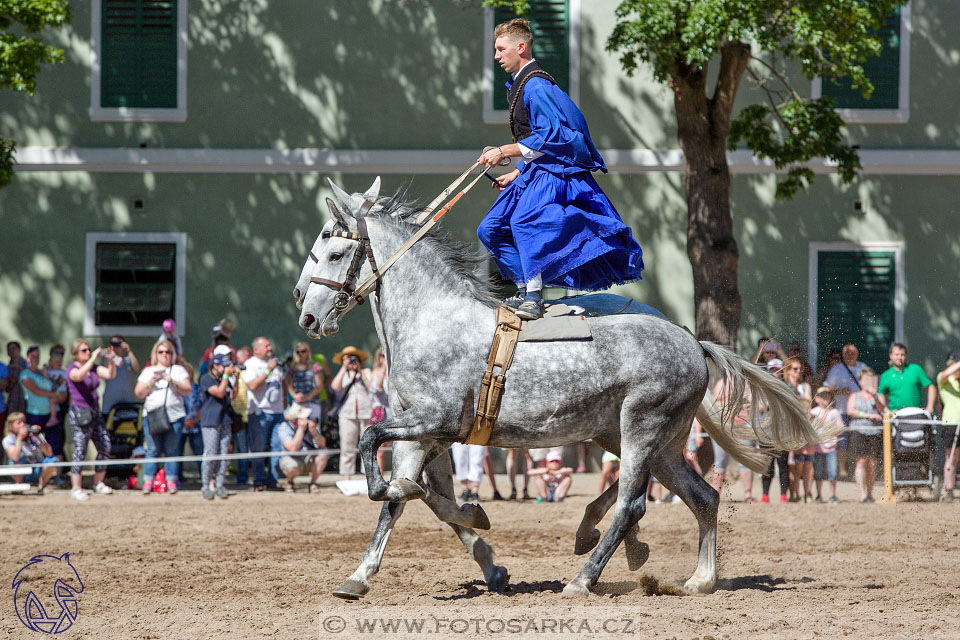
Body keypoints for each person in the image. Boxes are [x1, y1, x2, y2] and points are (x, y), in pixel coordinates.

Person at [476, 18, 644, 320]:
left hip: (554, 174)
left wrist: (504, 151)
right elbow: (541, 142)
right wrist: (517, 172)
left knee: (524, 222)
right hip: (535, 171)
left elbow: (553, 137)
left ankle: (533, 297)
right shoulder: (519, 85)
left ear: (521, 47)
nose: (496, 56)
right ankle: (524, 288)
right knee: (489, 229)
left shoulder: (536, 85)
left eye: (501, 49)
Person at [135, 339, 191, 495]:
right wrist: (150, 383)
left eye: (168, 352)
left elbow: (187, 390)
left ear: (173, 354)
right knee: (152, 449)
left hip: (175, 416)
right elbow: (138, 393)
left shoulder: (179, 370)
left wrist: (171, 380)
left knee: (172, 450)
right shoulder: (148, 371)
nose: (164, 355)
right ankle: (147, 482)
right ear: (155, 354)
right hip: (153, 416)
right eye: (161, 352)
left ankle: (171, 481)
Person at [66, 339, 117, 501]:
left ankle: (98, 483)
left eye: (88, 350)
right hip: (80, 413)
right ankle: (76, 487)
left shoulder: (93, 368)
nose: (88, 352)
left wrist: (111, 361)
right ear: (75, 353)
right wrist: (92, 359)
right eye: (84, 350)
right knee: (80, 448)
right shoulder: (72, 369)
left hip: (95, 412)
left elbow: (110, 374)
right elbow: (79, 376)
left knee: (105, 446)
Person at [241, 337, 285, 490]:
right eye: (266, 346)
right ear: (256, 349)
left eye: (269, 345)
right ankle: (259, 480)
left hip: (278, 412)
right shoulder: (250, 364)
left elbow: (282, 383)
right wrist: (269, 370)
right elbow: (252, 385)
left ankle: (272, 480)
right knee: (258, 448)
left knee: (277, 447)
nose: (269, 348)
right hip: (260, 413)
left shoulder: (274, 362)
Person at [824, 343, 868, 479]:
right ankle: (842, 469)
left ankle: (857, 470)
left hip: (859, 411)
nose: (850, 356)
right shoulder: (837, 369)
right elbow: (827, 388)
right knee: (842, 441)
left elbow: (870, 386)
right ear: (843, 355)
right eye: (847, 353)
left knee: (858, 441)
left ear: (857, 354)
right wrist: (840, 391)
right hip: (842, 410)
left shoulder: (863, 368)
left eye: (852, 353)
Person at [199, 352, 239, 500]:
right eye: (224, 365)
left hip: (225, 420)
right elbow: (220, 393)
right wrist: (227, 376)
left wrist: (237, 379)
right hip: (210, 421)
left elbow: (232, 396)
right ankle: (205, 485)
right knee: (210, 455)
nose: (227, 368)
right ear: (215, 365)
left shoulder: (224, 379)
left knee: (224, 455)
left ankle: (220, 484)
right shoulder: (206, 378)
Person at [330, 346, 372, 482]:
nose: (351, 361)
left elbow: (370, 387)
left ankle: (368, 476)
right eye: (347, 358)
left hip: (366, 412)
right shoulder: (344, 374)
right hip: (347, 414)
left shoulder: (366, 372)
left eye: (353, 358)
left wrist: (359, 370)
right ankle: (346, 477)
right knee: (347, 445)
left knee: (368, 445)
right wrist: (344, 367)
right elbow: (335, 387)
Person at [846, 367, 884, 503]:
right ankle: (862, 493)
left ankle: (870, 492)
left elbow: (883, 410)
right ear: (860, 381)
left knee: (872, 463)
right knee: (861, 461)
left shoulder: (878, 396)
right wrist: (867, 415)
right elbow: (850, 410)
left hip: (875, 432)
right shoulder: (854, 396)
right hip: (859, 431)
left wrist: (875, 396)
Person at [277, 403, 329, 493]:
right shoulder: (284, 427)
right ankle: (290, 482)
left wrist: (315, 433)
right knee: (292, 468)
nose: (307, 419)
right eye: (304, 417)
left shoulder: (312, 427)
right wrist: (300, 429)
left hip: (308, 458)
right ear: (294, 420)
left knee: (324, 453)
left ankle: (313, 483)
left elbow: (323, 444)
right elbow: (293, 448)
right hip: (292, 459)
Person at [783, 357, 814, 502]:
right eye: (795, 369)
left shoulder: (804, 387)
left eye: (800, 369)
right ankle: (793, 494)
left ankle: (807, 493)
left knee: (807, 463)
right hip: (789, 429)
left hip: (803, 427)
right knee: (792, 465)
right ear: (787, 370)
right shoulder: (782, 386)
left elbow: (807, 403)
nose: (798, 372)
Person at [3, 412, 57, 492]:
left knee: (52, 460)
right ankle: (19, 485)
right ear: (10, 426)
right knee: (18, 458)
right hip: (22, 473)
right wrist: (19, 438)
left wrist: (38, 436)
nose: (23, 425)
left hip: (37, 471)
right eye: (19, 423)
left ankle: (42, 486)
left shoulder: (34, 436)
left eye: (24, 422)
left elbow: (49, 453)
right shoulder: (8, 439)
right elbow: (15, 457)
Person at [878, 343, 936, 415]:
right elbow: (880, 394)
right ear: (891, 355)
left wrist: (930, 407)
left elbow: (931, 387)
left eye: (902, 355)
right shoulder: (886, 375)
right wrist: (887, 411)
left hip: (916, 413)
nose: (899, 357)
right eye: (897, 354)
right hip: (896, 415)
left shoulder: (915, 369)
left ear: (906, 356)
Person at [936, 351, 960, 502]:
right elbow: (946, 374)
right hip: (951, 422)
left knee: (955, 458)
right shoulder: (943, 378)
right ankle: (948, 489)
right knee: (950, 458)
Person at [811, 387, 842, 503]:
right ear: (817, 398)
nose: (826, 398)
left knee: (832, 472)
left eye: (827, 396)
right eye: (823, 396)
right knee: (818, 472)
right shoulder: (813, 412)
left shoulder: (834, 412)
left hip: (831, 446)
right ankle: (819, 495)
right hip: (818, 447)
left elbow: (839, 428)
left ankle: (832, 495)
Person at [19, 345, 60, 430]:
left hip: (52, 414)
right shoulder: (25, 374)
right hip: (35, 415)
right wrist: (56, 395)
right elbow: (36, 391)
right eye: (33, 356)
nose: (36, 359)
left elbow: (55, 384)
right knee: (35, 442)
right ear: (27, 358)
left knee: (54, 443)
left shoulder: (43, 372)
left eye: (38, 356)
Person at [101, 335, 141, 416]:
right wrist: (109, 354)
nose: (116, 346)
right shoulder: (107, 360)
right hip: (109, 405)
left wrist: (129, 351)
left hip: (127, 404)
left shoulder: (128, 360)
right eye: (113, 344)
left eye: (118, 344)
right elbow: (103, 369)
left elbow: (137, 369)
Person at [284, 342, 324, 422]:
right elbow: (288, 384)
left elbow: (320, 386)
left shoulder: (315, 366)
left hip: (312, 402)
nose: (300, 354)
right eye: (297, 352)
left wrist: (308, 396)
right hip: (298, 403)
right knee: (298, 429)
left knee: (313, 428)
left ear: (308, 352)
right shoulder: (292, 367)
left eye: (303, 351)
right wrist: (295, 395)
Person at [368, 346, 389, 473]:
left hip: (393, 411)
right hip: (380, 412)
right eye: (383, 355)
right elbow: (376, 389)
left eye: (387, 355)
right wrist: (383, 371)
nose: (385, 358)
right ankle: (378, 476)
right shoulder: (376, 372)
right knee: (380, 448)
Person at [7, 341, 27, 414]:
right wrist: (12, 382)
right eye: (9, 349)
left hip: (24, 399)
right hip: (13, 399)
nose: (11, 351)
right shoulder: (8, 366)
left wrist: (19, 368)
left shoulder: (26, 363)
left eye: (14, 348)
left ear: (19, 350)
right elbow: (7, 389)